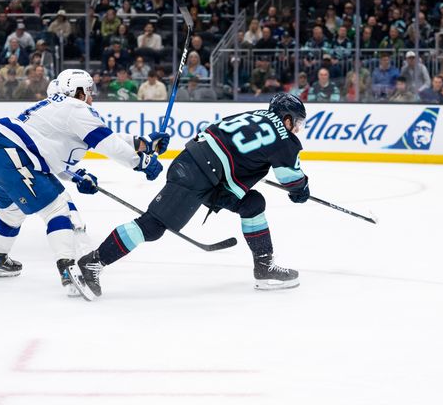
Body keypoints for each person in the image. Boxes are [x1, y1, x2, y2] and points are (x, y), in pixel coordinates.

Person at [75, 93, 310, 298]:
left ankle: (264, 266)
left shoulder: (254, 115)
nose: (297, 129)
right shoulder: (285, 139)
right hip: (199, 174)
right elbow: (291, 178)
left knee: (252, 203)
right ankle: (93, 261)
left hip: (201, 169)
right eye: (297, 122)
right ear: (286, 118)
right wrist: (301, 190)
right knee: (152, 226)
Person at [0, 69, 167, 296]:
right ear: (78, 91)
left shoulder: (55, 108)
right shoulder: (76, 108)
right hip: (10, 154)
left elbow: (50, 155)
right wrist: (141, 162)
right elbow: (108, 143)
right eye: (89, 91)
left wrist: (144, 143)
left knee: (13, 210)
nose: (91, 97)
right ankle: (69, 271)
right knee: (57, 209)